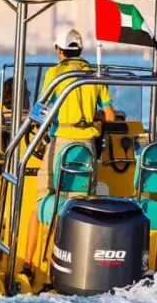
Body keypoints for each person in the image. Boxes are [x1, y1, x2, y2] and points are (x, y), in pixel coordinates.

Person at [22, 29, 116, 277]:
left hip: (61, 142)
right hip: (87, 148)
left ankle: (29, 264)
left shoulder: (55, 73)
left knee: (41, 202)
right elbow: (110, 116)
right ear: (81, 51)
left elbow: (42, 109)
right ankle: (75, 265)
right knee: (78, 206)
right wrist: (91, 115)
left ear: (59, 51)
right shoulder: (95, 76)